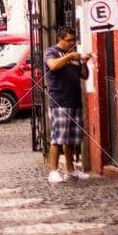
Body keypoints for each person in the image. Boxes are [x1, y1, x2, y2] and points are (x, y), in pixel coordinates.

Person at [45, 26, 91, 183]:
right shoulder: (52, 52)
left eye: (73, 40)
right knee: (57, 137)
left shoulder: (74, 56)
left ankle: (71, 171)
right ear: (60, 38)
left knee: (70, 139)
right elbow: (53, 66)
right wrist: (69, 56)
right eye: (69, 40)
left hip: (74, 101)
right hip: (59, 101)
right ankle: (53, 171)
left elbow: (84, 75)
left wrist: (83, 63)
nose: (72, 43)